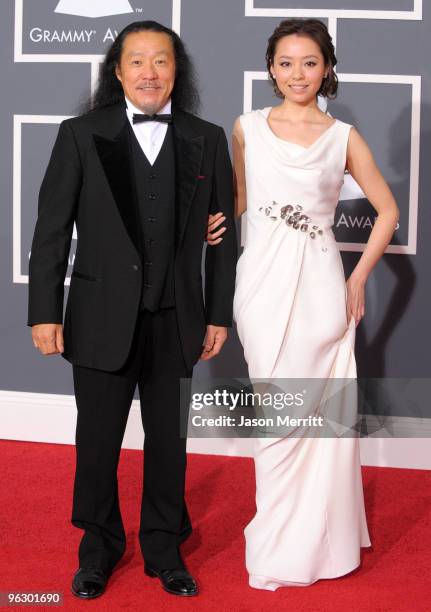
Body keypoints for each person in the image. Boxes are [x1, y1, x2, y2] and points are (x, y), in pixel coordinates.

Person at [28, 20, 237, 599]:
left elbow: (226, 238)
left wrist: (219, 314)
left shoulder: (209, 137)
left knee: (169, 444)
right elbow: (50, 232)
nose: (150, 72)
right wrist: (44, 312)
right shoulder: (79, 134)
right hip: (97, 316)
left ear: (178, 71)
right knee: (97, 442)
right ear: (117, 71)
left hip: (177, 318)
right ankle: (97, 550)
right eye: (137, 61)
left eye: (162, 61)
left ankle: (164, 548)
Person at [206, 18, 399, 590]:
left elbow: (386, 211)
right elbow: (237, 200)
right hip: (261, 286)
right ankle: (280, 535)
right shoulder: (246, 128)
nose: (297, 74)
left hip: (321, 289)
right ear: (271, 68)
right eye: (286, 63)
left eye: (309, 63)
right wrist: (204, 225)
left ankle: (321, 544)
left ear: (327, 68)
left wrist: (358, 277)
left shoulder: (343, 137)